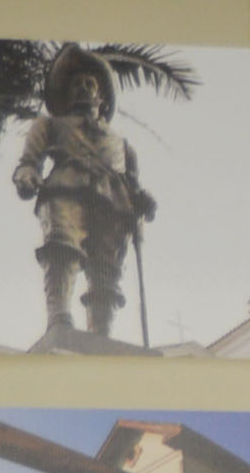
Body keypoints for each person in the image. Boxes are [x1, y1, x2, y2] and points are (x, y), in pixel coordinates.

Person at [12, 45, 156, 343]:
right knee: (61, 246)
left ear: (101, 98)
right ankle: (59, 316)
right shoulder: (49, 125)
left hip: (113, 204)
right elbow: (29, 161)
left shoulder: (123, 145)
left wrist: (143, 199)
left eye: (89, 84)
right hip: (65, 189)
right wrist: (27, 175)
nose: (82, 88)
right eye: (76, 84)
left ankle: (101, 331)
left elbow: (133, 185)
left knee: (106, 270)